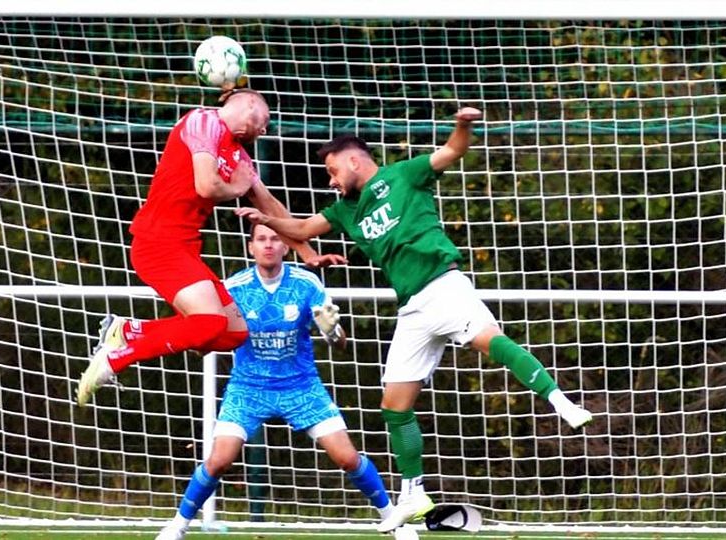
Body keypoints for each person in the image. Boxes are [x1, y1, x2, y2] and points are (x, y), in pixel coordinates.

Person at [235, 107, 593, 533]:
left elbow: (452, 152)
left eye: (332, 170)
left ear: (353, 160)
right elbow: (303, 226)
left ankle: (560, 401)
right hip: (411, 309)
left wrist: (463, 125)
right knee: (394, 405)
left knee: (490, 340)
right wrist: (264, 217)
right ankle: (414, 492)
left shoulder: (405, 174)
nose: (330, 180)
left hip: (442, 285)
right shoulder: (346, 209)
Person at [75, 89, 344, 407]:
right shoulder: (204, 121)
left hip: (183, 248)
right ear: (249, 107)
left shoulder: (240, 157)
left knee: (234, 333)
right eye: (266, 120)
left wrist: (308, 253)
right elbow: (207, 185)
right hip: (157, 242)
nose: (266, 129)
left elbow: (270, 206)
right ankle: (117, 357)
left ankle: (130, 330)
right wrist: (239, 187)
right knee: (211, 323)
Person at [155, 223, 416, 540]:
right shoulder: (233, 288)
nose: (268, 244)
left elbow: (340, 343)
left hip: (302, 386)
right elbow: (216, 335)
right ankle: (177, 526)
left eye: (275, 239)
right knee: (219, 460)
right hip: (248, 388)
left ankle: (395, 523)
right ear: (251, 247)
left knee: (346, 457)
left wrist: (332, 331)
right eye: (261, 239)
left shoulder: (307, 284)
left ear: (286, 247)